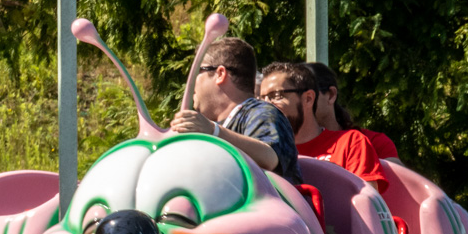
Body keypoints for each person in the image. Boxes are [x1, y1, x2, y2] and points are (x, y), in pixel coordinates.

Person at [169, 37, 301, 185]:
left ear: (220, 74)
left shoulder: (262, 112)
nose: (191, 81)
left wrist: (213, 131)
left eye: (197, 71)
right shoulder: (214, 126)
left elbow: (269, 157)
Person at [258, 61, 387, 193]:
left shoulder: (350, 143)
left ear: (308, 98)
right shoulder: (262, 151)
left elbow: (368, 204)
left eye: (276, 96)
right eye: (261, 99)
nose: (266, 106)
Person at [306, 62, 402, 165]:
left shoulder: (374, 143)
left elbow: (399, 178)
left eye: (308, 96)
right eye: (287, 97)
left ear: (331, 95)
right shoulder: (288, 149)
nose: (298, 102)